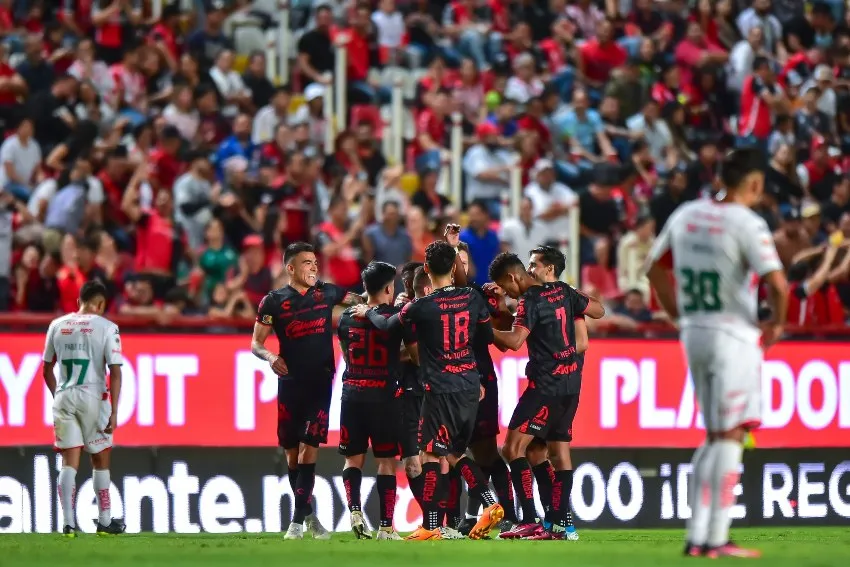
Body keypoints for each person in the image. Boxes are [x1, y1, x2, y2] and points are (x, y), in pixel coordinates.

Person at [644, 148, 789, 558]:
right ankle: (715, 538)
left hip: (694, 332)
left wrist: (678, 313)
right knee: (731, 434)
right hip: (734, 335)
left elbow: (654, 269)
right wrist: (776, 324)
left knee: (714, 435)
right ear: (755, 183)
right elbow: (778, 284)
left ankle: (699, 537)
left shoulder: (686, 213)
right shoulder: (747, 222)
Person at [359, 241, 504, 540]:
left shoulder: (421, 306)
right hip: (470, 384)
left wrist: (368, 310)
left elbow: (386, 325)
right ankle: (483, 507)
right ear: (454, 267)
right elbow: (487, 335)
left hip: (440, 389)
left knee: (428, 453)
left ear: (425, 269)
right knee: (451, 453)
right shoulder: (472, 298)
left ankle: (433, 525)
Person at [250, 242, 365, 540]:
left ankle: (296, 524)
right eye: (307, 263)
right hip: (290, 384)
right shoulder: (273, 302)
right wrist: (271, 358)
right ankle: (310, 517)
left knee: (308, 448)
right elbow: (256, 343)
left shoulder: (327, 292)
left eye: (315, 262)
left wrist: (380, 299)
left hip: (320, 383)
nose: (314, 267)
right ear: (291, 268)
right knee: (291, 455)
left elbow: (360, 299)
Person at [487, 252, 604, 540]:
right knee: (549, 453)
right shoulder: (564, 292)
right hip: (570, 385)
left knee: (512, 448)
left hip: (545, 386)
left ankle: (529, 519)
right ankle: (560, 524)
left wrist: (481, 329)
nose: (530, 270)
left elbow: (513, 342)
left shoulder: (532, 299)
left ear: (512, 278)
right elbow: (598, 312)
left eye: (533, 264)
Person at [41, 280, 125, 537]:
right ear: (100, 305)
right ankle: (104, 521)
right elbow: (116, 371)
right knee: (100, 458)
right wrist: (114, 410)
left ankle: (68, 524)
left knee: (69, 462)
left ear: (79, 302)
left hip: (64, 396)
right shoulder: (108, 327)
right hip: (94, 396)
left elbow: (46, 369)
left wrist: (59, 396)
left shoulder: (57, 325)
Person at [448, 235, 518, 533]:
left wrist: (502, 305)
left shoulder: (480, 295)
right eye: (454, 261)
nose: (458, 267)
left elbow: (503, 333)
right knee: (447, 453)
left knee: (485, 452)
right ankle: (456, 519)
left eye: (463, 262)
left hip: (479, 378)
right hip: (445, 382)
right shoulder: (427, 299)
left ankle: (509, 516)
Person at [337, 261, 410, 541]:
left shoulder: (346, 317)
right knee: (386, 461)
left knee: (352, 459)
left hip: (352, 393)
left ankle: (355, 510)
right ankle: (386, 527)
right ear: (389, 288)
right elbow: (406, 351)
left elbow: (346, 352)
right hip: (383, 395)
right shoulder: (395, 317)